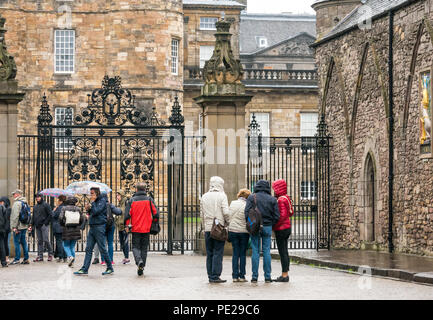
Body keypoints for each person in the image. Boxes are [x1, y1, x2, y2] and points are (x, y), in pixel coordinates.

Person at [244, 180, 280, 283]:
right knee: (266, 251)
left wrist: (251, 223)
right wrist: (270, 223)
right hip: (267, 226)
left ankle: (254, 277)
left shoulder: (252, 197)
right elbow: (277, 216)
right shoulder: (272, 199)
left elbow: (246, 212)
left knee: (255, 250)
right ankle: (267, 277)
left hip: (255, 226)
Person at [74, 187, 114, 276]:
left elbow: (96, 211)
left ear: (97, 193)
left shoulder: (102, 201)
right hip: (92, 227)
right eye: (90, 193)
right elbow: (91, 213)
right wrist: (87, 208)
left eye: (92, 193)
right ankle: (85, 268)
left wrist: (91, 205)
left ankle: (110, 268)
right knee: (88, 248)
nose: (91, 195)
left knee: (102, 248)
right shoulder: (94, 202)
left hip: (99, 227)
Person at [124, 182, 159, 276]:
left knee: (135, 247)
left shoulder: (132, 200)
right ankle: (142, 266)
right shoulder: (149, 200)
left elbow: (127, 215)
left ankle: (138, 261)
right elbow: (156, 213)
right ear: (145, 190)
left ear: (136, 189)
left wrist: (127, 226)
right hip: (146, 228)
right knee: (144, 248)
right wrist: (153, 222)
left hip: (136, 228)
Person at [200, 176, 230, 284]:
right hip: (218, 228)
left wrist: (204, 227)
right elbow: (226, 212)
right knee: (218, 251)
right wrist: (227, 222)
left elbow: (201, 214)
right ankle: (215, 275)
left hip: (208, 228)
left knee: (210, 252)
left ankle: (210, 274)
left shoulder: (204, 196)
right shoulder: (222, 196)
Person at [272, 180, 294, 283]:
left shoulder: (280, 200)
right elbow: (290, 213)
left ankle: (284, 275)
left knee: (282, 252)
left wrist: (273, 226)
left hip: (281, 229)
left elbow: (281, 217)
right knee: (285, 251)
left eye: (275, 188)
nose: (274, 190)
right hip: (287, 227)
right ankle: (285, 273)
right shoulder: (286, 197)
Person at [228, 189, 251, 283]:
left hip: (233, 231)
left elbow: (228, 215)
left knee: (235, 253)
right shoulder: (248, 205)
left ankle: (234, 276)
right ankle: (242, 276)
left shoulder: (233, 203)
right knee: (242, 254)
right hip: (243, 231)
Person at [59, 197, 87, 268]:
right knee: (72, 246)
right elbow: (82, 219)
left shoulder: (64, 208)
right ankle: (72, 263)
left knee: (65, 245)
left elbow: (60, 218)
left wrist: (63, 224)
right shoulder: (78, 209)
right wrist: (78, 225)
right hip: (76, 229)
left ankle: (70, 256)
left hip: (67, 229)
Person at [29, 193, 54, 262]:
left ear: (41, 197)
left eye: (38, 197)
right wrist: (31, 224)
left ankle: (50, 254)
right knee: (39, 241)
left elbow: (51, 214)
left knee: (46, 240)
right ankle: (40, 256)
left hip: (44, 225)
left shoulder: (46, 205)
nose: (37, 198)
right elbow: (33, 216)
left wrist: (46, 222)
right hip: (37, 226)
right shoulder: (35, 206)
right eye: (36, 197)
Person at [99, 192, 121, 265]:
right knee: (110, 243)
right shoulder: (110, 205)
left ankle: (103, 260)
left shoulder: (98, 205)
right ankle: (111, 260)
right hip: (110, 226)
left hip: (102, 226)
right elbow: (118, 212)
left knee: (103, 244)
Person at [9, 189, 30, 265]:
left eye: (14, 194)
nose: (13, 196)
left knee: (16, 242)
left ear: (17, 194)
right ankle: (26, 258)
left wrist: (14, 227)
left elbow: (15, 216)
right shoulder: (25, 203)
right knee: (24, 242)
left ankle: (17, 259)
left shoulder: (17, 203)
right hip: (24, 226)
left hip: (18, 227)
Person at [115, 190, 131, 265]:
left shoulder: (126, 203)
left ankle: (127, 258)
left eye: (118, 195)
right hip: (120, 226)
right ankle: (125, 257)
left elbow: (128, 214)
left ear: (122, 195)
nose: (117, 197)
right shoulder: (120, 204)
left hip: (125, 225)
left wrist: (127, 225)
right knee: (122, 242)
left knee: (125, 242)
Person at [52, 195, 67, 263]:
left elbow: (54, 216)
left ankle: (61, 256)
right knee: (64, 242)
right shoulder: (66, 207)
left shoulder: (59, 208)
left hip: (58, 227)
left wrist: (54, 210)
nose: (57, 201)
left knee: (59, 242)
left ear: (61, 201)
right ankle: (64, 256)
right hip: (64, 227)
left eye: (58, 200)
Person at [0, 197, 12, 265]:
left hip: (4, 230)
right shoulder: (4, 209)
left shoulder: (6, 209)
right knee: (3, 245)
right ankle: (4, 262)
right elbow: (6, 220)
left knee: (4, 245)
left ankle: (5, 259)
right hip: (3, 230)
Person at [0, 201, 8, 267]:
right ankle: (3, 262)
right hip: (1, 229)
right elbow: (6, 219)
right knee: (2, 246)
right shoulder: (2, 207)